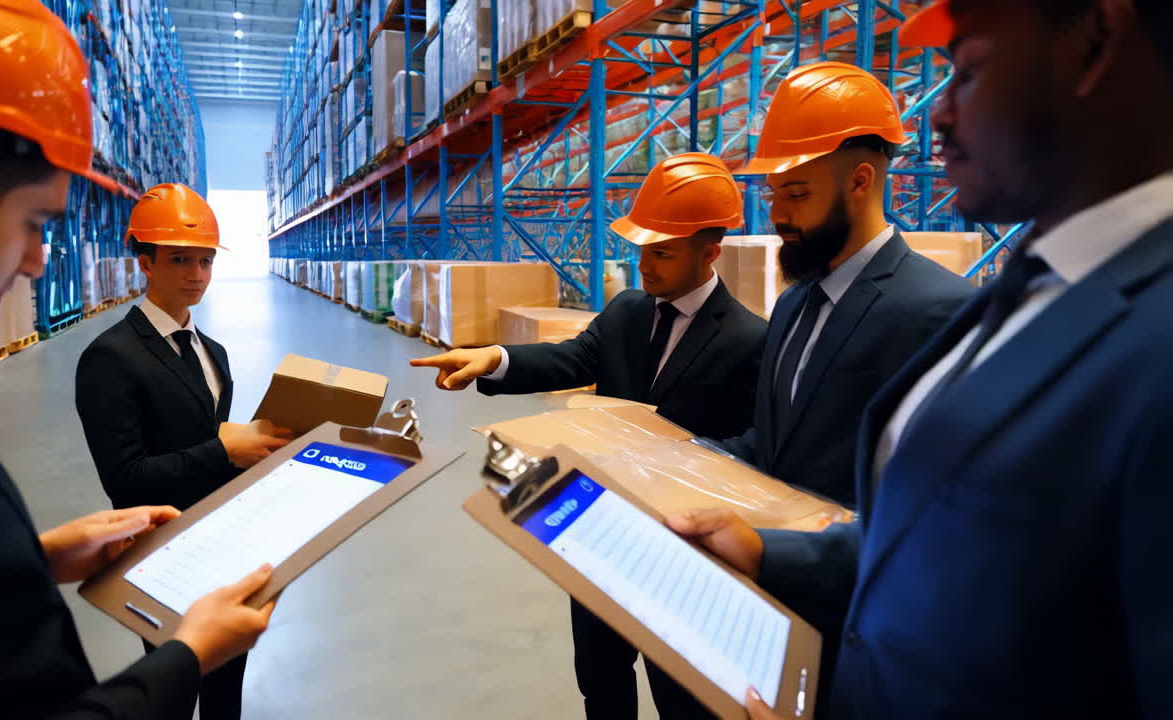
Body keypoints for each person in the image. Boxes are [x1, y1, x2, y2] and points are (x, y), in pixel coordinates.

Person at [668, 0, 1173, 717]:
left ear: (1096, 41)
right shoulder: (1037, 291)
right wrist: (766, 552)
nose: (937, 118)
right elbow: (940, 530)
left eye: (968, 71)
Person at [0, 0, 277, 716]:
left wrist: (28, 560)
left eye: (204, 261)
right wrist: (183, 660)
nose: (41, 262)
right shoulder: (105, 360)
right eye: (34, 223)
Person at [412, 152, 768, 718]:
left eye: (662, 252)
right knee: (600, 675)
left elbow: (751, 452)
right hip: (602, 525)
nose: (644, 263)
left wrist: (674, 468)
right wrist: (496, 358)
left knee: (682, 692)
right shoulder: (627, 310)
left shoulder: (750, 339)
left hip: (681, 549)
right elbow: (573, 358)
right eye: (641, 248)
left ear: (710, 252)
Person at [75, 183, 292, 720]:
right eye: (179, 260)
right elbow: (125, 478)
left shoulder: (212, 352)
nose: (196, 275)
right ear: (145, 263)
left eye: (205, 260)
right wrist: (223, 450)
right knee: (172, 685)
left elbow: (211, 441)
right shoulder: (109, 358)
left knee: (227, 683)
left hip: (221, 544)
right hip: (161, 554)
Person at [713, 62, 972, 509]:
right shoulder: (794, 304)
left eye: (796, 194)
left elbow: (928, 502)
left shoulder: (939, 311)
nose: (777, 214)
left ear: (859, 181)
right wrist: (672, 465)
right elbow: (778, 448)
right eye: (774, 193)